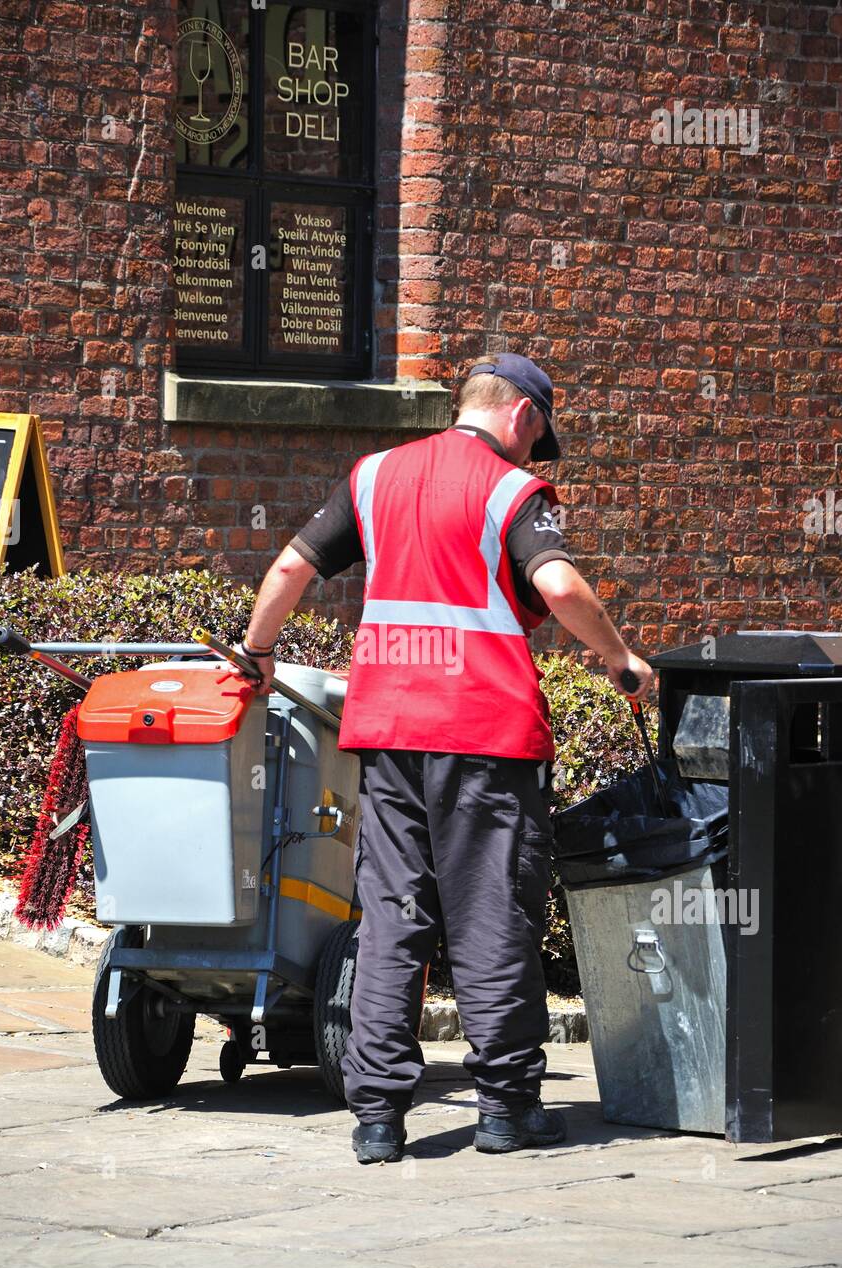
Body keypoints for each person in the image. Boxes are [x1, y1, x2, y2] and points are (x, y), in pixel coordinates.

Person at [240, 353, 654, 1164]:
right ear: (523, 416)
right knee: (491, 912)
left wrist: (257, 649)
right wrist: (619, 656)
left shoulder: (372, 476)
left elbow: (291, 565)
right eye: (538, 439)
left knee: (392, 913)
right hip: (484, 734)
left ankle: (378, 1119)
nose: (535, 456)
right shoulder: (509, 491)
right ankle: (504, 1109)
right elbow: (561, 586)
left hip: (387, 729)